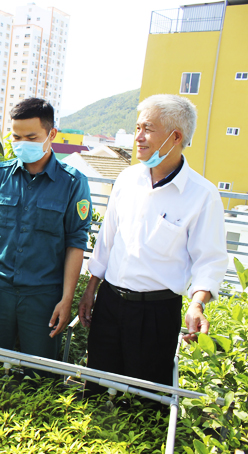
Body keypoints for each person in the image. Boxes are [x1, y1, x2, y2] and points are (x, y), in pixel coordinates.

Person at [78, 94, 227, 392]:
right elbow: (107, 241)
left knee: (144, 400)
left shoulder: (202, 194)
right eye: (137, 128)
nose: (138, 137)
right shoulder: (127, 179)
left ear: (175, 136)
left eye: (147, 128)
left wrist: (197, 304)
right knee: (95, 386)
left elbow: (208, 260)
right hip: (109, 303)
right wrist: (91, 289)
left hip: (156, 313)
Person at [0, 98, 92, 363]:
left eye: (31, 137)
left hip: (43, 297)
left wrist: (66, 299)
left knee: (39, 375)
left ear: (51, 134)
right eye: (16, 137)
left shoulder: (72, 183)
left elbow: (75, 243)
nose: (22, 143)